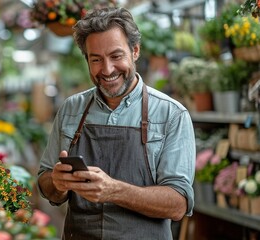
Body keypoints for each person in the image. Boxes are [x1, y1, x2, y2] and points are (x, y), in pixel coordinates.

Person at [37, 6, 195, 240]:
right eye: (96, 59)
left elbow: (177, 204)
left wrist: (114, 191)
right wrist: (57, 183)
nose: (107, 69)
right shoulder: (71, 109)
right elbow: (44, 182)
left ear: (135, 51)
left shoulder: (171, 115)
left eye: (116, 56)